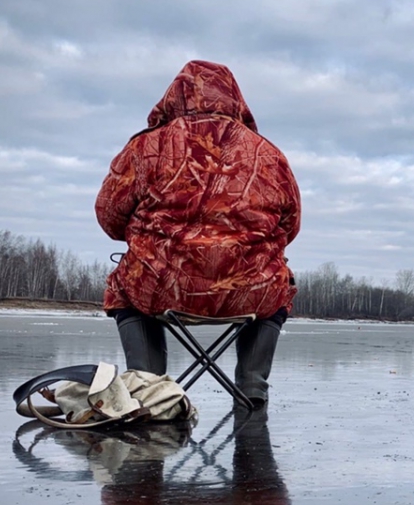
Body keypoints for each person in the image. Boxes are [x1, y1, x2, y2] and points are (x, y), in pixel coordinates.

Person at [96, 60, 301, 406]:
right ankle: (252, 387)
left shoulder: (145, 148)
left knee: (123, 286)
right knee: (281, 285)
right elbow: (289, 225)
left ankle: (148, 386)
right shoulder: (269, 153)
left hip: (161, 288)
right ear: (236, 99)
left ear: (173, 97)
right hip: (249, 291)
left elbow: (109, 217)